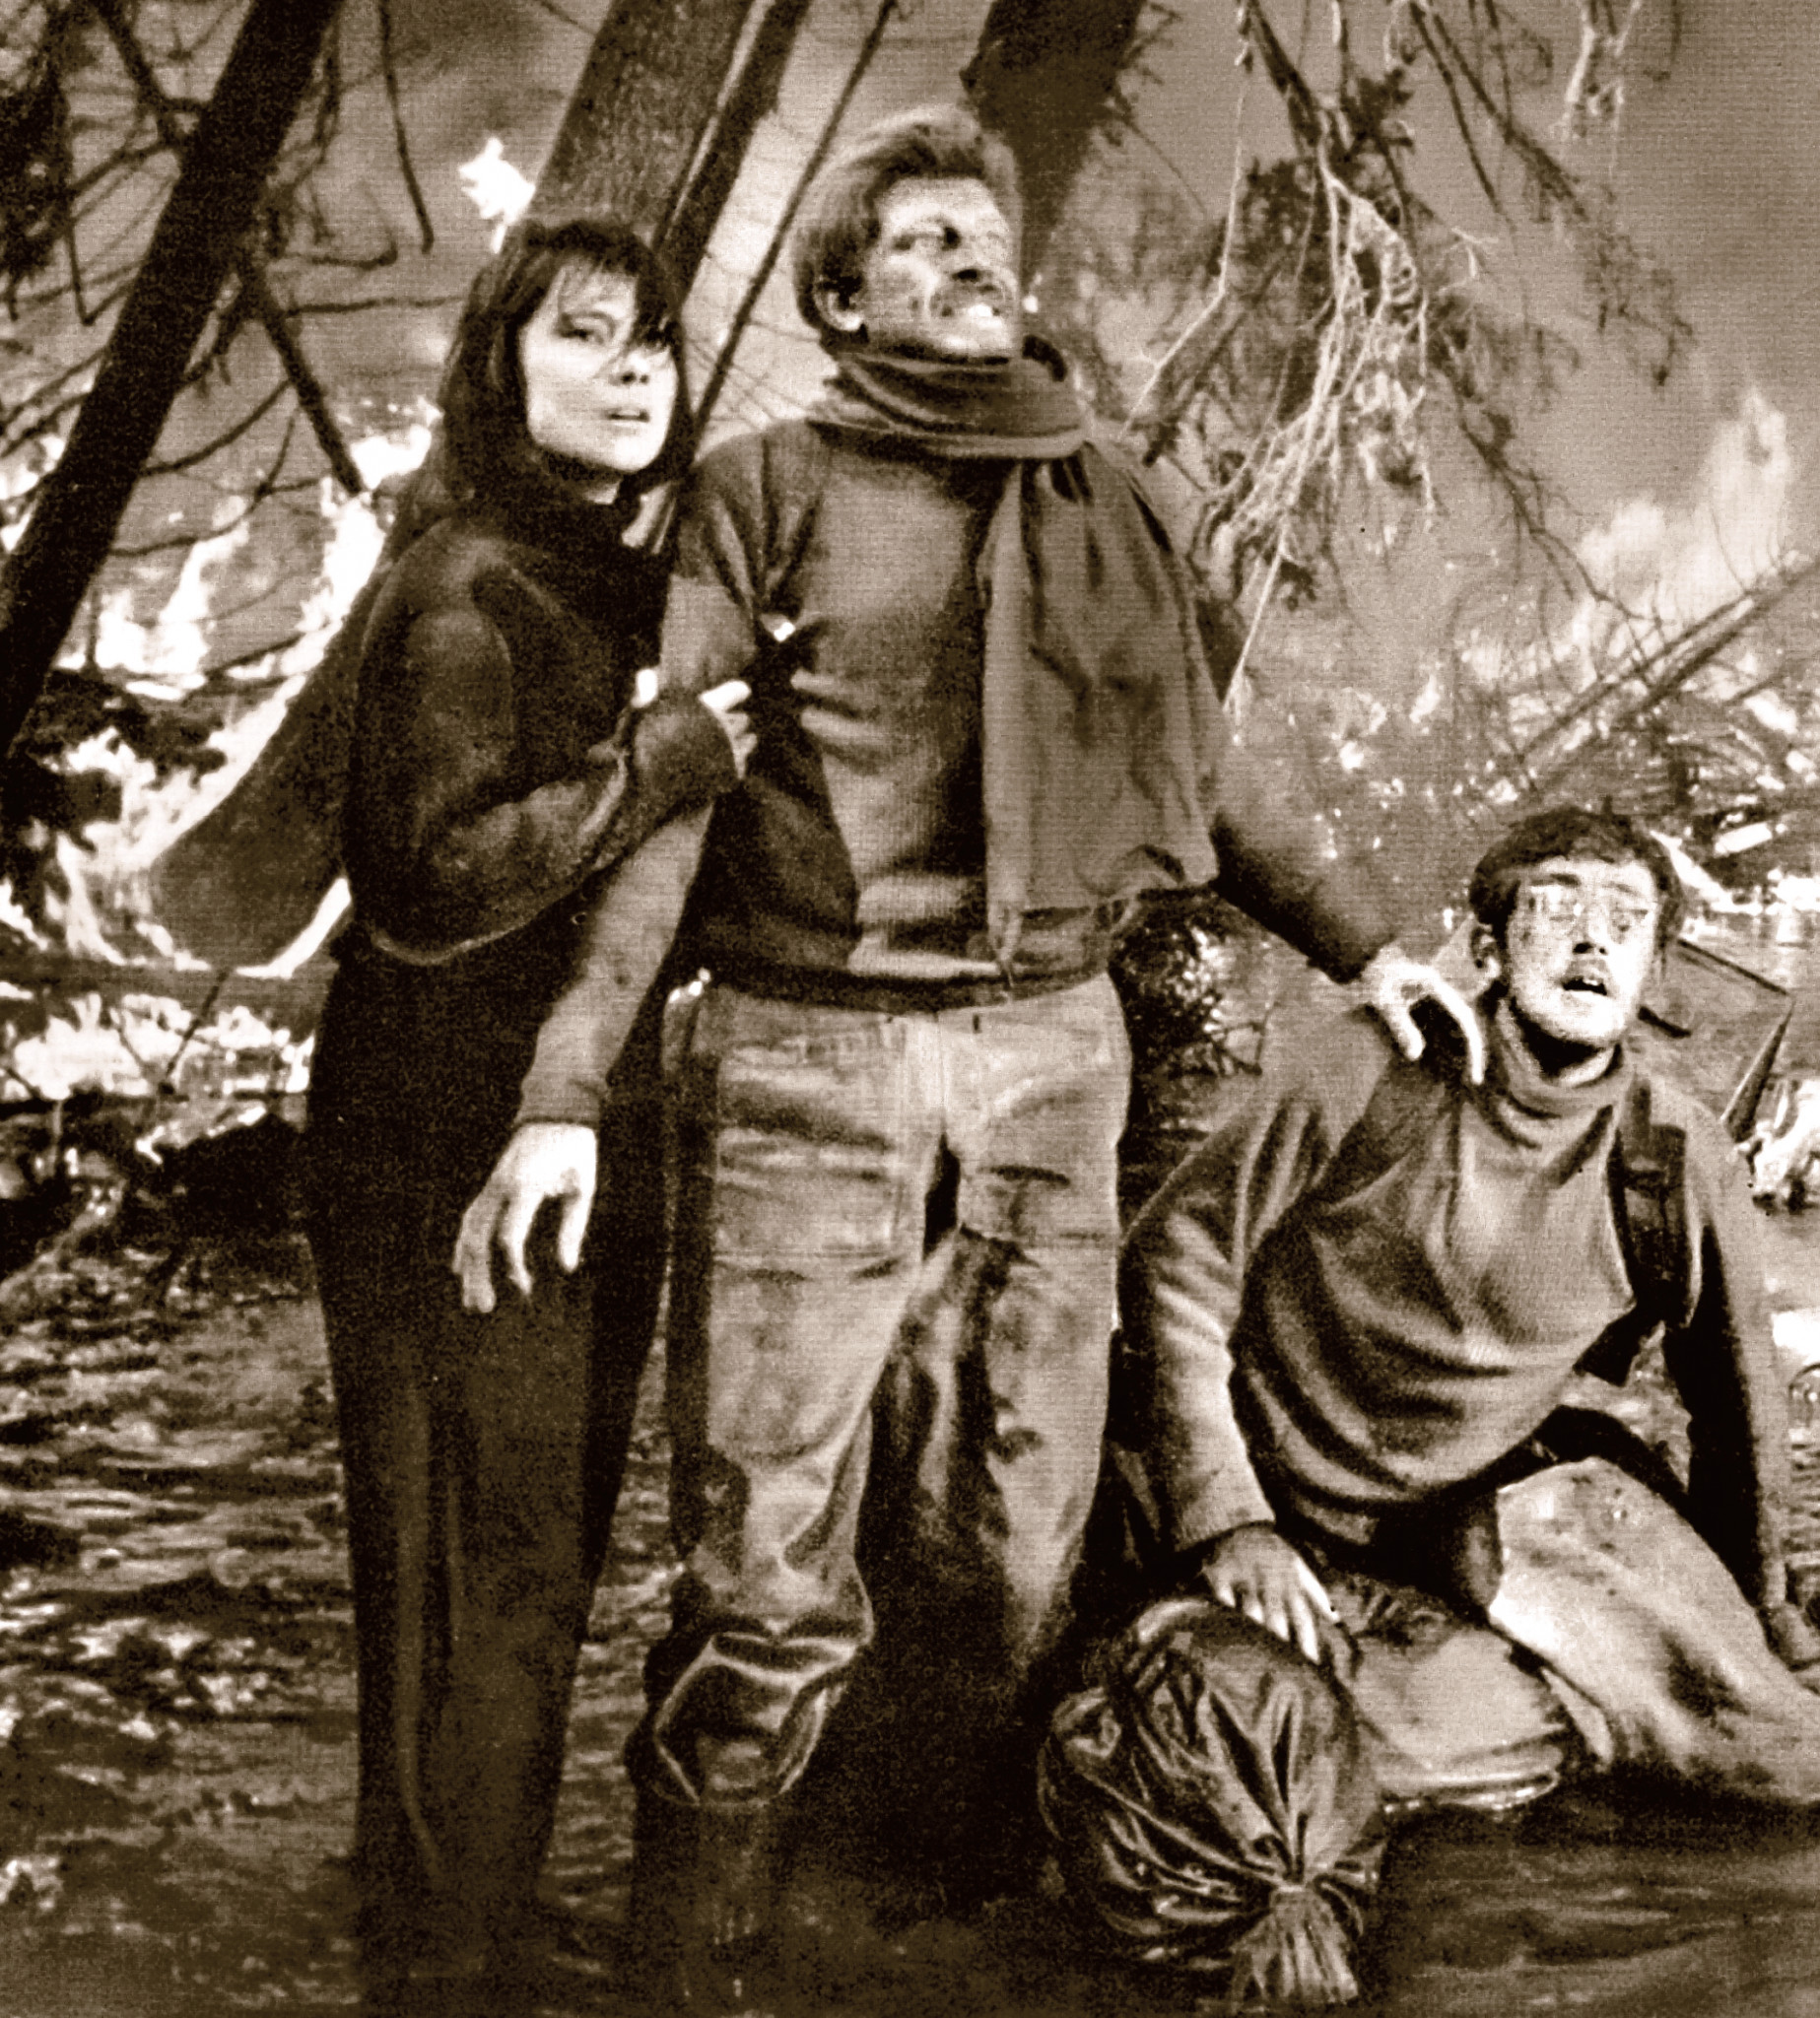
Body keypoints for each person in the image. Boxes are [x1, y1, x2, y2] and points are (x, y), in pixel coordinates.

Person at [453, 104, 1474, 2013]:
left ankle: (891, 1940)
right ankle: (693, 1961)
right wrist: (565, 1090)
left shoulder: (1110, 490)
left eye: (977, 234)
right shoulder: (759, 489)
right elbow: (673, 798)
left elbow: (1207, 770)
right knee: (764, 1584)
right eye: (914, 241)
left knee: (1006, 1555)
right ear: (838, 302)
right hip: (803, 1063)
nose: (964, 259)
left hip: (1053, 1063)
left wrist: (1369, 943)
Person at [303, 215, 750, 1999]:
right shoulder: (465, 587)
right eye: (583, 335)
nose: (633, 371)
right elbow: (430, 881)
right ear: (503, 365)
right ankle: (437, 1952)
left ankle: (460, 1912)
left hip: (578, 1117)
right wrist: (667, 754)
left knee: (536, 1547)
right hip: (430, 1127)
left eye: (653, 340)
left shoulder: (601, 575)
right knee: (457, 1556)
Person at [1117, 805, 1820, 1848]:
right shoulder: (1373, 1066)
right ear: (1486, 950)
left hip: (1464, 1511)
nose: (1592, 940)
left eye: (1625, 920)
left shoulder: (1672, 1155)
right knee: (1225, 1746)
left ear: (1653, 972)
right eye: (1557, 909)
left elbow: (1736, 1413)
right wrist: (1227, 1519)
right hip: (1270, 1493)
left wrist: (1761, 1627)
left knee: (1765, 1748)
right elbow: (1175, 1260)